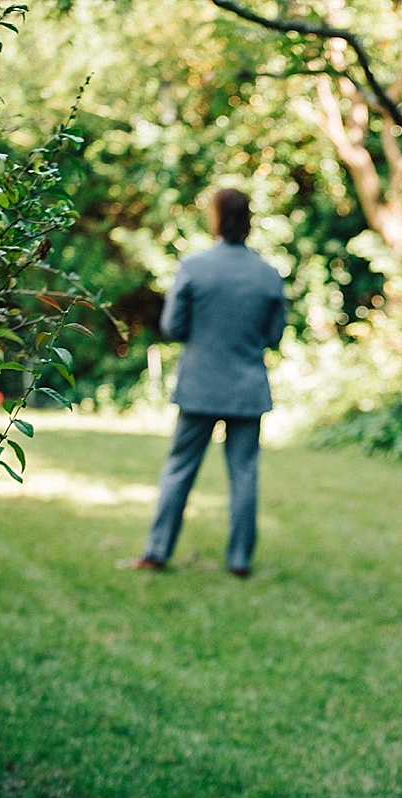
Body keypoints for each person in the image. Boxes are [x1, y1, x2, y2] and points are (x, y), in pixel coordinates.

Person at [126, 188, 287, 578]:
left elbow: (172, 327)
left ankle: (157, 552)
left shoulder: (193, 268)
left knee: (179, 469)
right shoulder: (268, 274)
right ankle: (240, 560)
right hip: (247, 388)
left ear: (216, 218)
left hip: (199, 386)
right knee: (245, 474)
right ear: (248, 219)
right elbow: (274, 336)